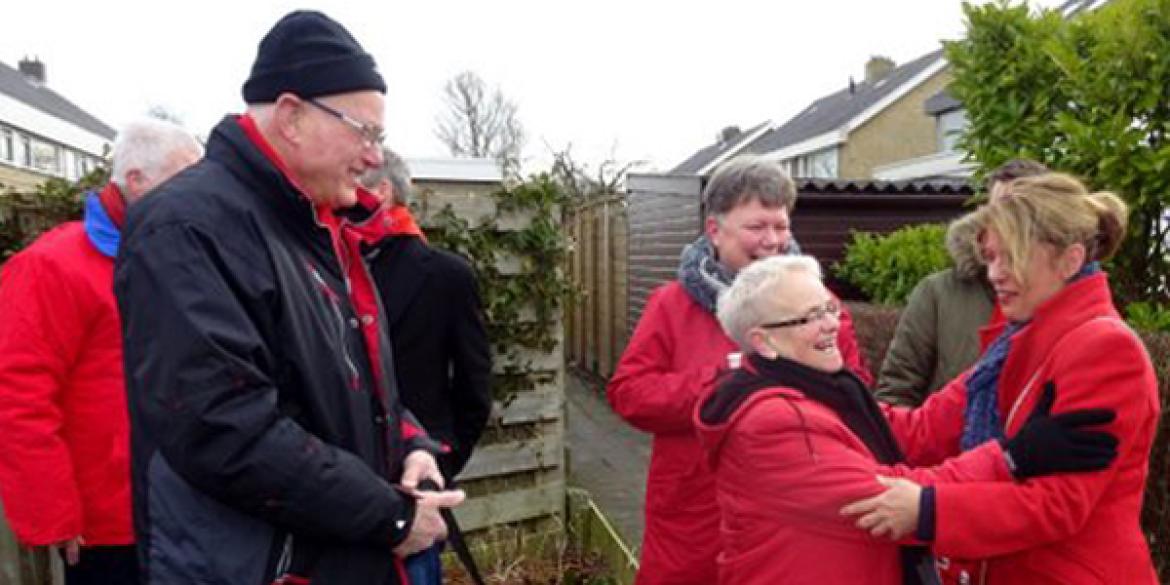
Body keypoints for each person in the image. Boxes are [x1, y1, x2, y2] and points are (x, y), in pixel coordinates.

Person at [114, 11, 463, 584]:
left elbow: (348, 386)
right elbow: (222, 426)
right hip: (250, 566)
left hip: (331, 553)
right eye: (365, 131)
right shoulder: (187, 227)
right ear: (293, 116)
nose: (375, 156)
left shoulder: (316, 227)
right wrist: (394, 518)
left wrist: (411, 445)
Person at [694, 254, 1117, 585]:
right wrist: (1011, 458)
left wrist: (995, 368)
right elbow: (884, 501)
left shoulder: (818, 388)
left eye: (829, 308)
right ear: (762, 341)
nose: (830, 326)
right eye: (808, 318)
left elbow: (912, 431)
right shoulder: (774, 421)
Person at [845, 173, 1161, 584]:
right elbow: (923, 430)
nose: (995, 274)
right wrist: (828, 403)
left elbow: (1059, 504)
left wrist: (928, 510)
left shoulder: (1104, 348)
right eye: (991, 258)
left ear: (1070, 259)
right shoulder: (1015, 343)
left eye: (1010, 256)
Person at [607, 155, 872, 584]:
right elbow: (629, 394)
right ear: (715, 230)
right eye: (757, 227)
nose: (773, 241)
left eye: (781, 226)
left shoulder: (822, 305)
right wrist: (724, 384)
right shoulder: (671, 305)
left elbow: (855, 390)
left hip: (794, 516)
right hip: (693, 525)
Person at [0, 118, 202, 584]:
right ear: (136, 180)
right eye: (186, 177)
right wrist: (51, 513)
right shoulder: (52, 266)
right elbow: (18, 394)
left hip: (175, 504)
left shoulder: (172, 253)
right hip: (105, 523)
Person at [359, 148, 492, 585]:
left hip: (413, 484)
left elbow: (474, 387)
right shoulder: (326, 268)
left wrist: (442, 460)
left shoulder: (445, 275)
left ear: (381, 191)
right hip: (338, 488)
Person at [876, 159, 1048, 406]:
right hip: (947, 442)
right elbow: (896, 393)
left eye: (1024, 211)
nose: (1012, 223)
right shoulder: (938, 293)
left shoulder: (1066, 294)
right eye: (1002, 209)